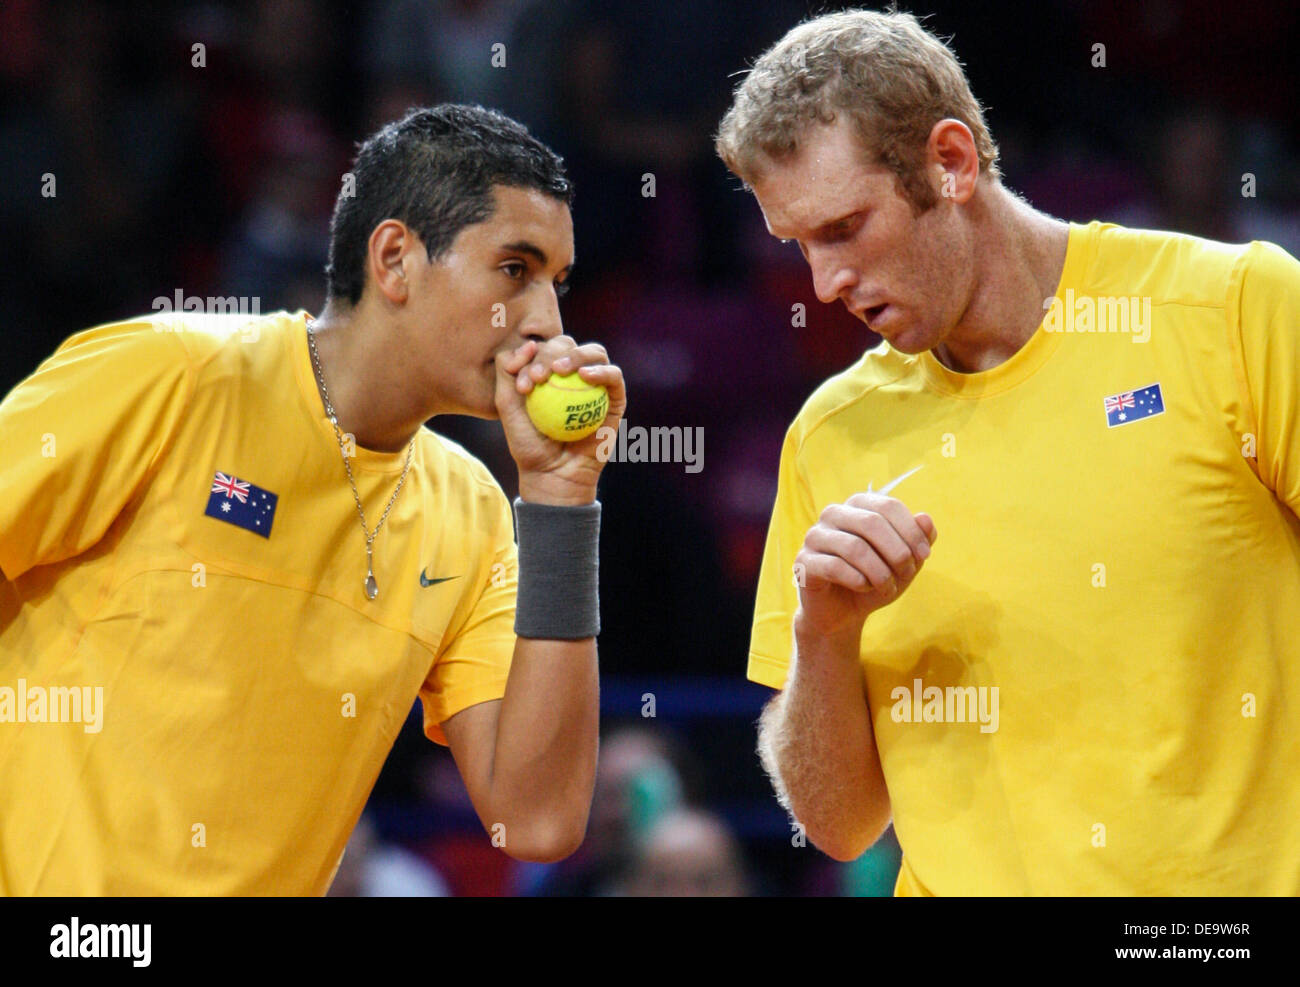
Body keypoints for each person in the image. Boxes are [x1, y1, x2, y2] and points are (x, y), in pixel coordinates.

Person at [716, 9, 1300, 895]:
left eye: (841, 230)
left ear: (949, 163)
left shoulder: (1237, 310)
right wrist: (824, 636)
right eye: (797, 246)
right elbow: (838, 825)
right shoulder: (832, 433)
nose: (822, 284)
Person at [0, 104, 625, 894]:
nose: (547, 322)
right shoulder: (171, 375)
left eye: (557, 284)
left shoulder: (471, 510)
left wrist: (563, 504)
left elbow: (537, 819)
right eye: (515, 269)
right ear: (395, 258)